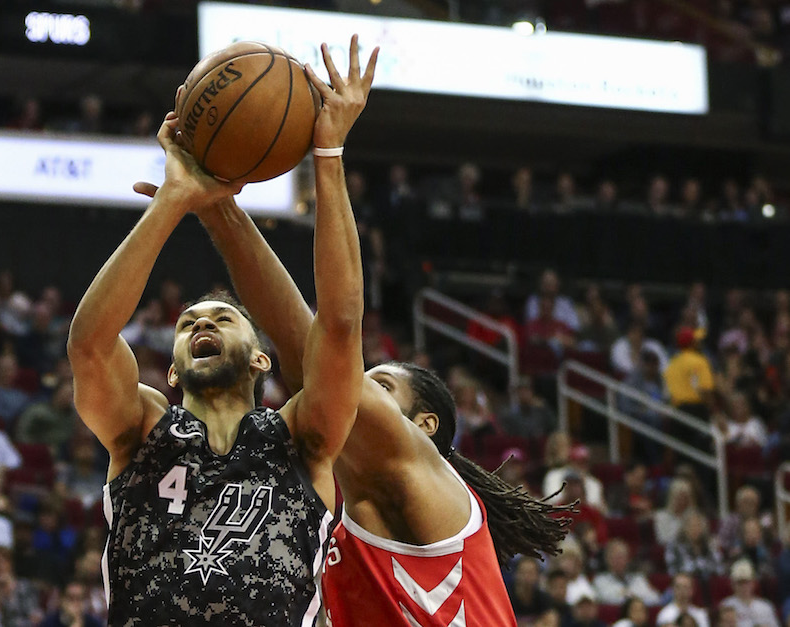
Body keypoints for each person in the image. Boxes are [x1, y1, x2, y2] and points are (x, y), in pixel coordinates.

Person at [192, 53, 575, 627]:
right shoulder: (341, 498)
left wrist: (326, 156)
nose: (357, 383)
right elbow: (300, 340)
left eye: (380, 383)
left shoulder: (422, 479)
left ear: (424, 428)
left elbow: (319, 334)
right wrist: (216, 204)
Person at [66, 37, 375, 625]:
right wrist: (174, 201)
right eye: (188, 324)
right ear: (174, 366)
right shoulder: (141, 429)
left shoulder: (303, 437)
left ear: (263, 360)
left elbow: (339, 325)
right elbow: (89, 344)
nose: (202, 321)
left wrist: (328, 156)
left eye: (223, 318)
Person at [719, 559, 780, 627]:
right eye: (740, 583)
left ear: (753, 583)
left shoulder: (765, 606)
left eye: (747, 582)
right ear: (733, 584)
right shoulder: (727, 605)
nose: (744, 586)